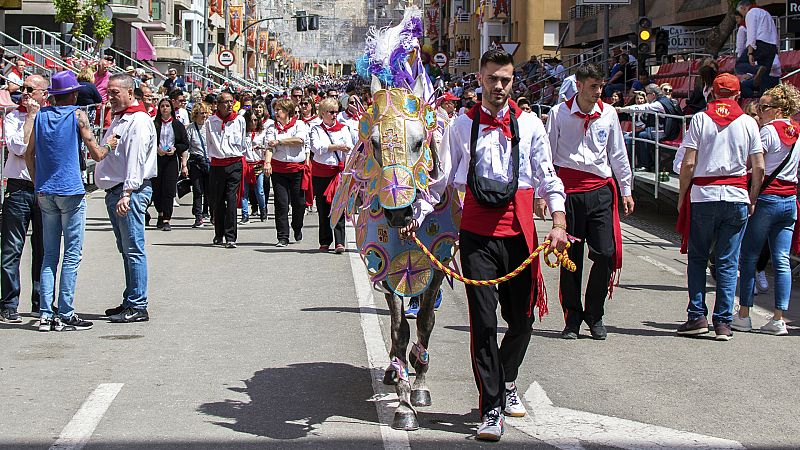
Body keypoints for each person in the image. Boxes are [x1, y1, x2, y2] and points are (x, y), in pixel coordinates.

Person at [433, 49, 568, 442]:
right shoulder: (460, 126)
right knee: (484, 322)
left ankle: (506, 379)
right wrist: (414, 211)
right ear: (479, 78)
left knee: (522, 319)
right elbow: (442, 180)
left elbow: (547, 176)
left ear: (514, 81)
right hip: (477, 236)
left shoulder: (530, 125)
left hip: (521, 235)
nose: (498, 87)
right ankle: (490, 407)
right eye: (492, 78)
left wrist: (558, 222)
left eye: (506, 80)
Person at [543, 63, 634, 340]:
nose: (598, 92)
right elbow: (547, 155)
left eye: (601, 86)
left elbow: (617, 153)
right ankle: (572, 318)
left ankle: (595, 314)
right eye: (593, 86)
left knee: (606, 253)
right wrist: (542, 194)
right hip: (568, 192)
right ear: (579, 85)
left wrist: (626, 189)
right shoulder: (558, 113)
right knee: (571, 259)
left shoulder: (608, 114)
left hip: (599, 191)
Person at [676, 73, 764, 341]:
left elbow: (688, 163)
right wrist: (752, 197)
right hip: (736, 195)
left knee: (698, 258)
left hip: (704, 195)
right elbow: (759, 166)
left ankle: (697, 316)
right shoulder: (749, 123)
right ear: (738, 96)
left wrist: (682, 196)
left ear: (712, 94)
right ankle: (724, 322)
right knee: (728, 262)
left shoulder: (700, 119)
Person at [24, 70, 110, 331]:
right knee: (72, 254)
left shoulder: (40, 116)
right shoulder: (77, 115)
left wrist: (38, 182)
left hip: (45, 191)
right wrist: (111, 145)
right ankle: (66, 312)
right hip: (70, 191)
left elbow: (29, 155)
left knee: (49, 255)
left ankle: (45, 314)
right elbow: (96, 153)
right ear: (72, 94)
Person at [734, 84, 800, 336]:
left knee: (749, 256)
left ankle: (744, 314)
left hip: (767, 199)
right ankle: (778, 318)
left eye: (765, 107)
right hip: (789, 200)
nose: (760, 111)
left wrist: (751, 195)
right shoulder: (797, 132)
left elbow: (755, 165)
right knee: (781, 260)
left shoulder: (768, 132)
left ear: (779, 109)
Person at [95, 73, 157, 323]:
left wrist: (128, 192)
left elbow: (136, 159)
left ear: (130, 93)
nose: (110, 97)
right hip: (118, 190)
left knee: (133, 249)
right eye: (108, 92)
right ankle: (131, 298)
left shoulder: (138, 120)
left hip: (128, 190)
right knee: (126, 249)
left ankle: (138, 304)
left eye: (115, 93)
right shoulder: (121, 119)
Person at [0, 74, 47, 323]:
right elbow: (18, 148)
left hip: (42, 188)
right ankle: (8, 302)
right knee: (11, 248)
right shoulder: (13, 116)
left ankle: (40, 301)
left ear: (43, 93)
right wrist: (29, 117)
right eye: (24, 88)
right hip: (18, 188)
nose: (25, 92)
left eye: (31, 89)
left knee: (42, 247)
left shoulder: (49, 117)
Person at [310, 97, 354, 253]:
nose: (335, 115)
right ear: (323, 113)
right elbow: (317, 148)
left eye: (336, 112)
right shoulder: (316, 129)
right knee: (322, 208)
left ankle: (339, 242)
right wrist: (336, 147)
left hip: (338, 172)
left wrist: (346, 170)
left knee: (338, 206)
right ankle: (325, 240)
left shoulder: (344, 128)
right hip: (321, 173)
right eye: (331, 112)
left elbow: (349, 149)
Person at [204, 91, 247, 248]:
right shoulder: (211, 122)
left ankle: (231, 236)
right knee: (217, 201)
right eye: (225, 102)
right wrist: (214, 158)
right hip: (217, 165)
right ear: (218, 104)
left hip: (234, 163)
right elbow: (209, 143)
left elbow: (242, 141)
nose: (229, 105)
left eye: (231, 102)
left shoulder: (240, 120)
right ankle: (218, 233)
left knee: (231, 199)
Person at [267, 98, 310, 247]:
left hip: (296, 169)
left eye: (279, 109)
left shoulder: (299, 124)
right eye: (275, 110)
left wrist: (279, 142)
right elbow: (269, 147)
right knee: (281, 204)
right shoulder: (272, 127)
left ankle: (297, 226)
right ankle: (282, 236)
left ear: (287, 111)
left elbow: (300, 140)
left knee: (299, 203)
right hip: (279, 170)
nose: (276, 112)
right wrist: (267, 163)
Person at [152, 98, 189, 231]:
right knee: (157, 189)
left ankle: (167, 218)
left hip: (172, 160)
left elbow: (185, 143)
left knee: (168, 189)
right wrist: (156, 149)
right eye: (162, 106)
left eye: (167, 106)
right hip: (157, 159)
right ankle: (160, 213)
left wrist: (175, 149)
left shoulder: (177, 125)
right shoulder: (154, 124)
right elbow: (148, 142)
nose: (165, 108)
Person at [738, 0, 778, 90]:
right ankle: (763, 96)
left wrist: (750, 52)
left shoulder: (751, 13)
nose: (743, 16)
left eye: (742, 13)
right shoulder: (766, 13)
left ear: (743, 8)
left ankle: (758, 69)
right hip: (771, 46)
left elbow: (751, 34)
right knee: (764, 78)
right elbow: (774, 31)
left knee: (739, 64)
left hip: (760, 43)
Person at [186, 102, 212, 227]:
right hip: (196, 161)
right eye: (202, 113)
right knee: (197, 190)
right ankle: (198, 216)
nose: (205, 116)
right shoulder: (191, 128)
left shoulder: (210, 126)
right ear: (195, 114)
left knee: (210, 190)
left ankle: (212, 214)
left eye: (206, 113)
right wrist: (184, 165)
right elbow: (187, 147)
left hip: (210, 161)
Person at [240, 110, 268, 224]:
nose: (253, 122)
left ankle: (263, 210)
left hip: (257, 164)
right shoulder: (242, 133)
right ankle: (245, 214)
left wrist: (260, 147)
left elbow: (267, 147)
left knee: (259, 190)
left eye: (255, 120)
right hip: (245, 164)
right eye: (251, 120)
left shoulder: (261, 133)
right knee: (244, 191)